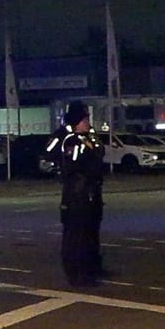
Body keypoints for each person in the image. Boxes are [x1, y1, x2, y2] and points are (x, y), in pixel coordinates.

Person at [48, 101, 105, 287]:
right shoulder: (67, 138)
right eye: (85, 118)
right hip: (76, 193)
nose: (88, 121)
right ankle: (76, 272)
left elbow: (99, 152)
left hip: (92, 192)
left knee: (91, 232)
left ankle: (92, 267)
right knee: (75, 234)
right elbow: (54, 154)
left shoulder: (90, 135)